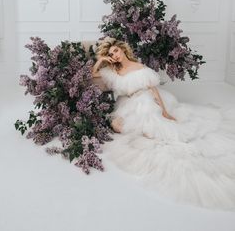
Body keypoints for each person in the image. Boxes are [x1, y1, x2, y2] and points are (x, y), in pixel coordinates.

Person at [92, 38, 235, 210]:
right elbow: (94, 74)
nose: (114, 55)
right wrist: (101, 60)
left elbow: (153, 89)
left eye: (115, 51)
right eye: (110, 54)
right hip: (126, 103)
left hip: (144, 99)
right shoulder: (113, 70)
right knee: (117, 126)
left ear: (122, 49)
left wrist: (165, 111)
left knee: (151, 125)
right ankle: (146, 129)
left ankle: (160, 132)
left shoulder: (139, 67)